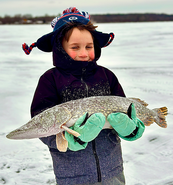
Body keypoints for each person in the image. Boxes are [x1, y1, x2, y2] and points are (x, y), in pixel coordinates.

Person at [22, 7, 145, 185]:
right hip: (72, 175)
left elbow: (126, 110)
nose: (83, 53)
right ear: (60, 48)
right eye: (75, 47)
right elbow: (41, 123)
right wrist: (67, 140)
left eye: (89, 47)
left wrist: (131, 129)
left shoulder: (107, 76)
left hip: (112, 169)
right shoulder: (50, 79)